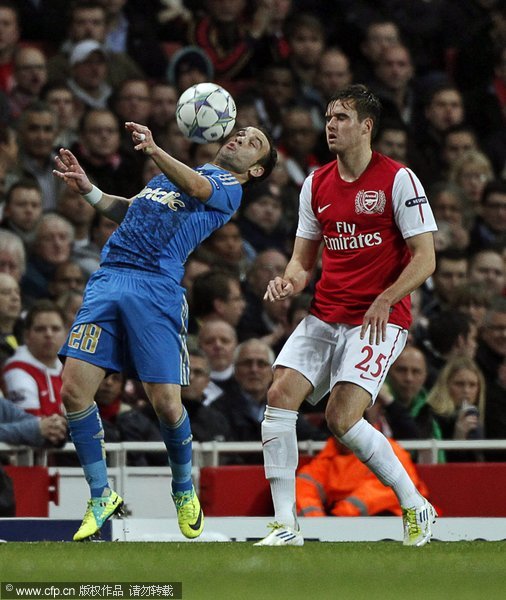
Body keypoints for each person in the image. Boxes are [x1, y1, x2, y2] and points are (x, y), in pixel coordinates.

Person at [52, 119, 277, 542]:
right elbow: (130, 210)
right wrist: (89, 190)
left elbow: (194, 188)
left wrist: (155, 150)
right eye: (242, 132)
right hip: (109, 277)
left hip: (155, 287)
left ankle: (182, 488)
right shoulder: (165, 177)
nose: (242, 137)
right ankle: (101, 495)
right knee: (72, 392)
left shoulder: (230, 189)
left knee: (168, 407)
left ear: (256, 170)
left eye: (254, 142)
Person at [255, 85, 438, 548]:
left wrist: (387, 296)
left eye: (340, 117)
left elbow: (425, 258)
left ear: (366, 126)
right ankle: (285, 526)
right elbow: (303, 261)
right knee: (279, 395)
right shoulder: (315, 183)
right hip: (325, 312)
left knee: (341, 417)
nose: (331, 125)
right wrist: (288, 281)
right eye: (329, 117)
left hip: (379, 319)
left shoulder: (398, 180)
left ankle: (415, 505)